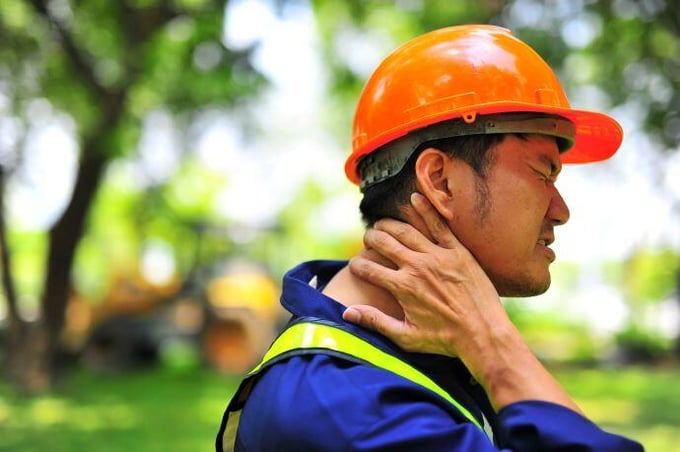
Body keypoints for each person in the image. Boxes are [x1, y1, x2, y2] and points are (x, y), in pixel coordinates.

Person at [216, 24, 643, 451]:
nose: (561, 211)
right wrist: (494, 343)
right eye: (542, 172)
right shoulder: (347, 409)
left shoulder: (410, 355)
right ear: (439, 180)